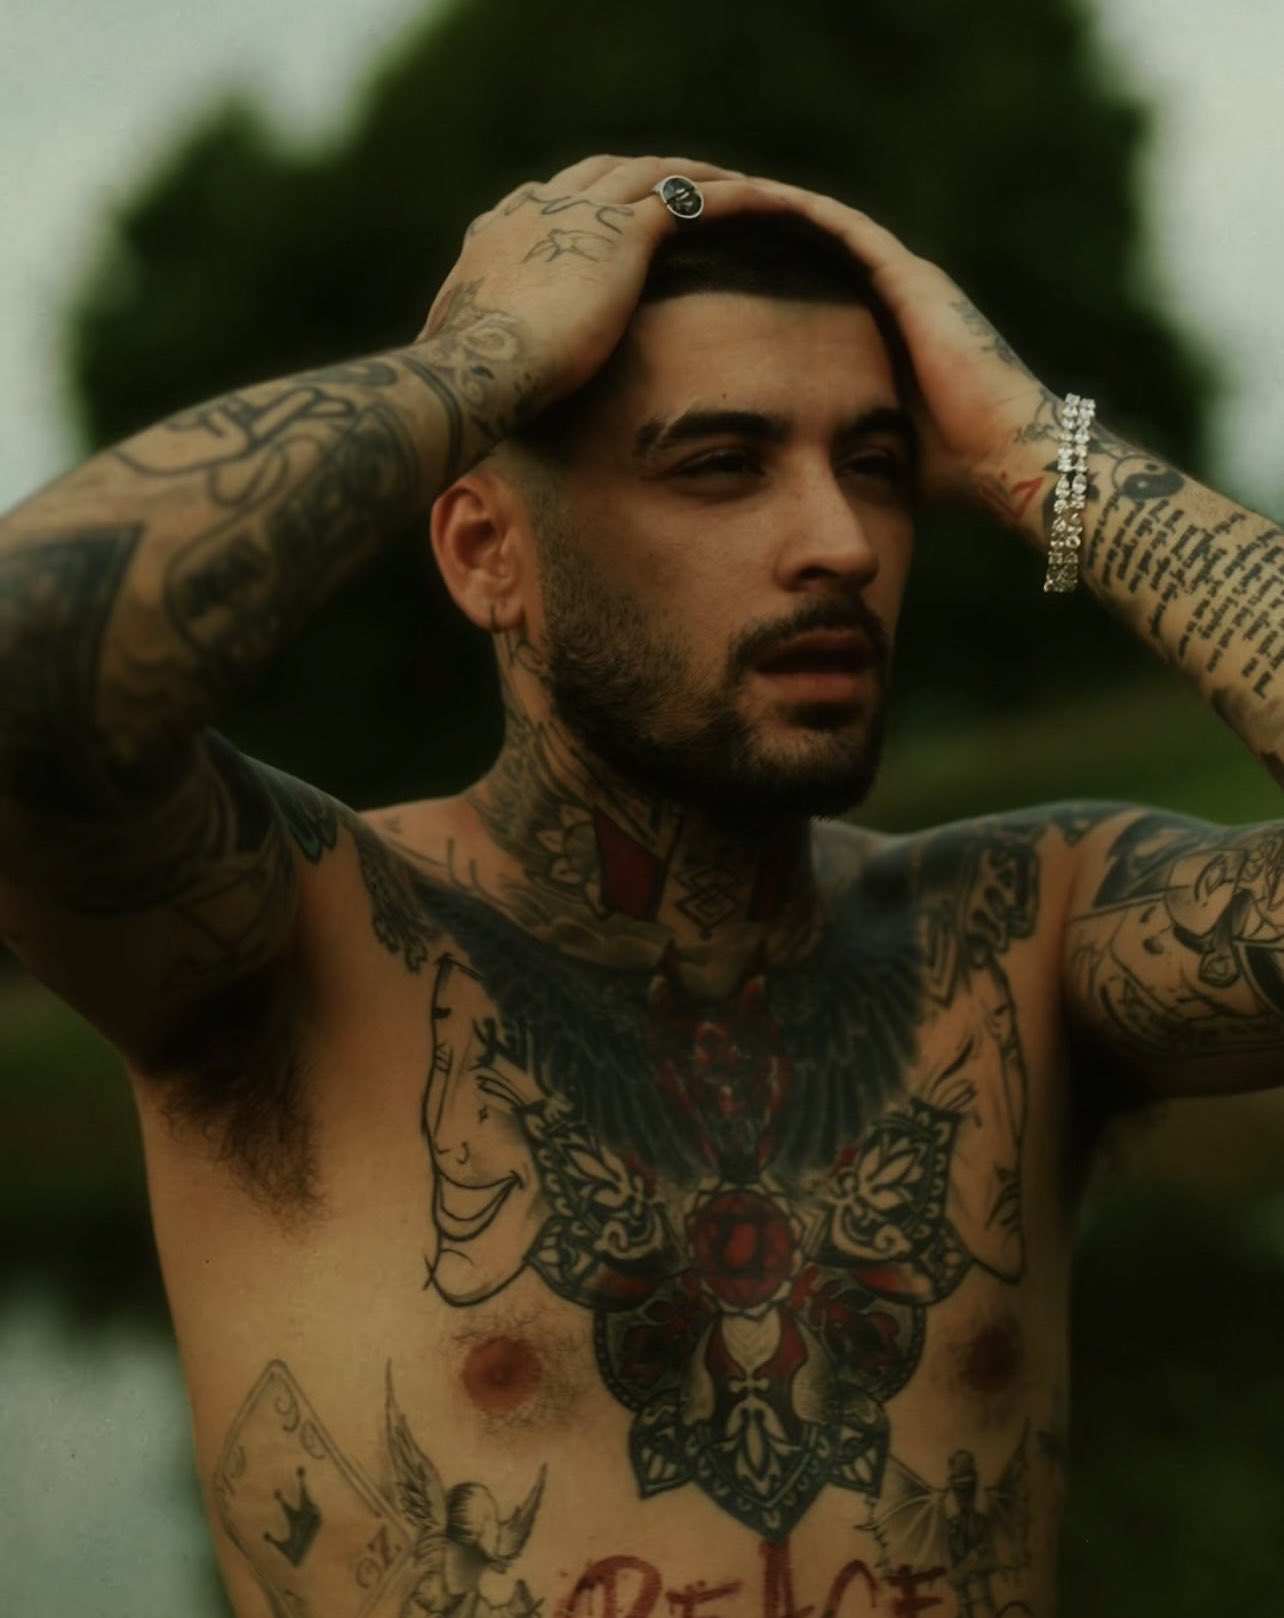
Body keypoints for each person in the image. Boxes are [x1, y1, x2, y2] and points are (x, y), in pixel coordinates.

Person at [0, 150, 1280, 1618]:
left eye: (873, 462)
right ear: (489, 553)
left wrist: (1035, 451)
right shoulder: (302, 948)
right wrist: (489, 361)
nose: (842, 543)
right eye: (720, 464)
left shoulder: (1021, 941)